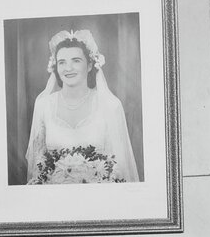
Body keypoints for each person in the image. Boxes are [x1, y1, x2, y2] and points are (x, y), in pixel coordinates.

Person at [24, 29, 139, 184]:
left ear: (90, 65)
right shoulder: (43, 105)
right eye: (62, 62)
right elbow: (37, 164)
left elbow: (120, 168)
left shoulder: (110, 105)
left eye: (76, 60)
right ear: (55, 67)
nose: (68, 68)